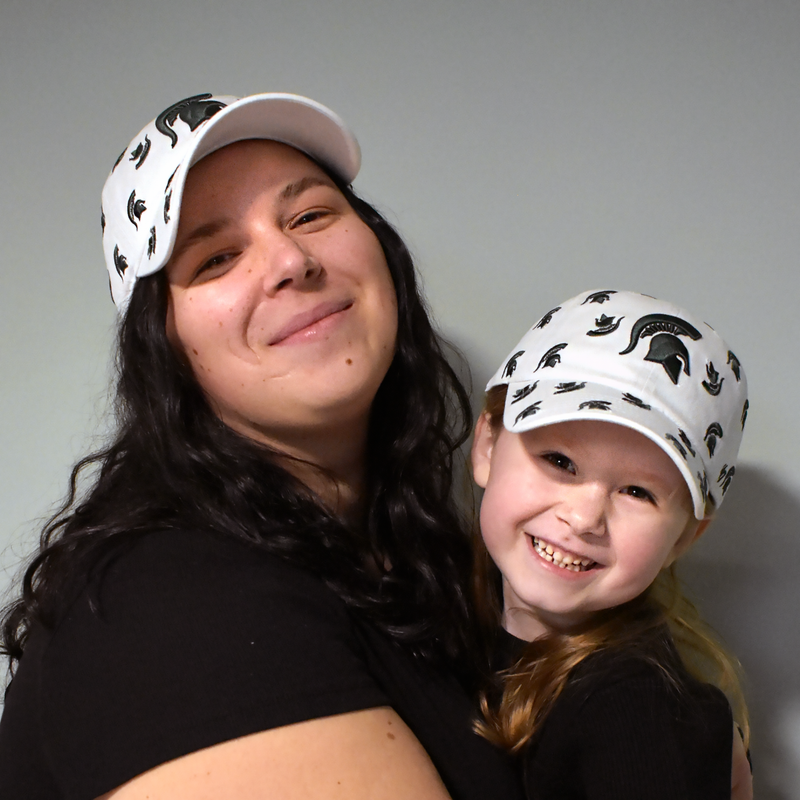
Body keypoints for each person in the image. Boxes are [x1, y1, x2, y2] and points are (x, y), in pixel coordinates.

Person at [0, 93, 525, 800]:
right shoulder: (169, 607)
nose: (290, 259)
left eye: (310, 214)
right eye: (216, 258)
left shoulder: (401, 567)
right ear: (167, 349)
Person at [469, 289, 754, 799]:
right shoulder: (442, 599)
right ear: (487, 446)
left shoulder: (631, 706)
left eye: (637, 492)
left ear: (683, 539)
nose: (583, 518)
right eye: (560, 461)